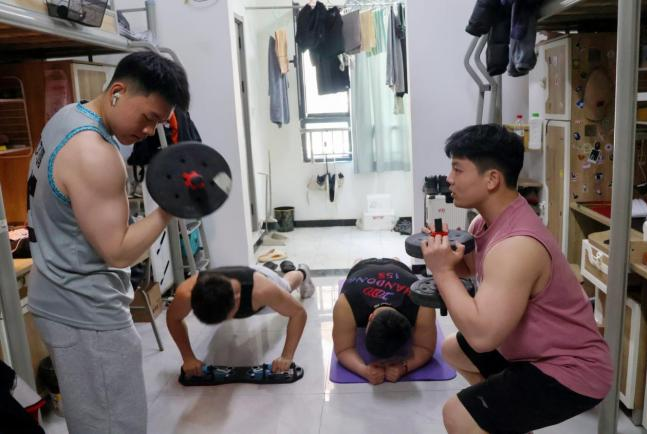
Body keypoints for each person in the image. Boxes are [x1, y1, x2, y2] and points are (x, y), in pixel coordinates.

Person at [26, 51, 190, 434]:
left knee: (94, 419)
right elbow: (118, 251)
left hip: (57, 295)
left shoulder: (69, 116)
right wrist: (168, 209)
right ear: (117, 91)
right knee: (114, 425)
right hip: (86, 313)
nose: (148, 131)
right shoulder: (95, 153)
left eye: (158, 123)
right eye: (148, 117)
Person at [421, 124, 613, 434]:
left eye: (458, 169)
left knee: (458, 414)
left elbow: (483, 337)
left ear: (492, 179)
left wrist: (442, 272)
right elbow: (473, 267)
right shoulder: (485, 222)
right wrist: (447, 257)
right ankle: (506, 422)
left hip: (571, 369)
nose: (449, 179)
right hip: (529, 351)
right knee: (453, 349)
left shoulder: (516, 246)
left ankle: (495, 419)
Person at [167, 264, 316, 376]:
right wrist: (188, 357)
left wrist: (286, 357)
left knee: (287, 286)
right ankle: (268, 265)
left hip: (262, 280)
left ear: (237, 301)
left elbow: (298, 313)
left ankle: (302, 272)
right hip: (237, 280)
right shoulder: (186, 293)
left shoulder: (263, 291)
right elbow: (173, 318)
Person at [332, 258, 437, 385]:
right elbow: (343, 350)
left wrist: (404, 368)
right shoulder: (346, 304)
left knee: (395, 262)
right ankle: (363, 260)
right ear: (370, 318)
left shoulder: (421, 302)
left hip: (399, 269)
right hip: (362, 268)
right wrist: (364, 370)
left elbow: (425, 348)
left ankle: (394, 260)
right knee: (360, 262)